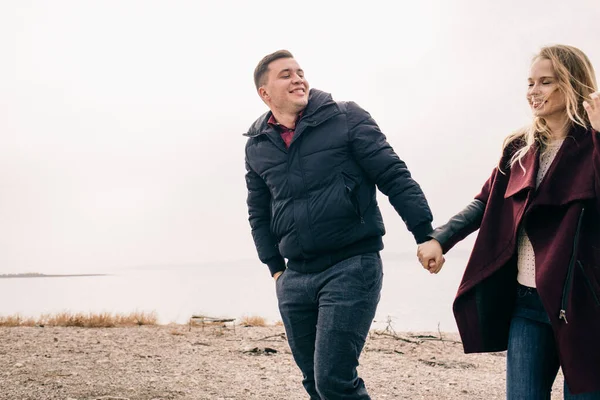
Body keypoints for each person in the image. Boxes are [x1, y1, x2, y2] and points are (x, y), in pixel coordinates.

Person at [244, 50, 433, 399]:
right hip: (295, 276)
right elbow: (258, 211)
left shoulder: (345, 117)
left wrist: (424, 233)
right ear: (265, 93)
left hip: (351, 265)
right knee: (314, 382)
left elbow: (392, 174)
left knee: (334, 380)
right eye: (286, 74)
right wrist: (275, 269)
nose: (298, 78)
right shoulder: (258, 145)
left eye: (300, 71)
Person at [417, 44, 600, 399]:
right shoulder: (520, 147)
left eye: (545, 82)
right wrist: (441, 239)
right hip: (528, 303)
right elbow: (486, 201)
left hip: (583, 303)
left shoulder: (593, 143)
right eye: (530, 83)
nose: (534, 91)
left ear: (572, 84)